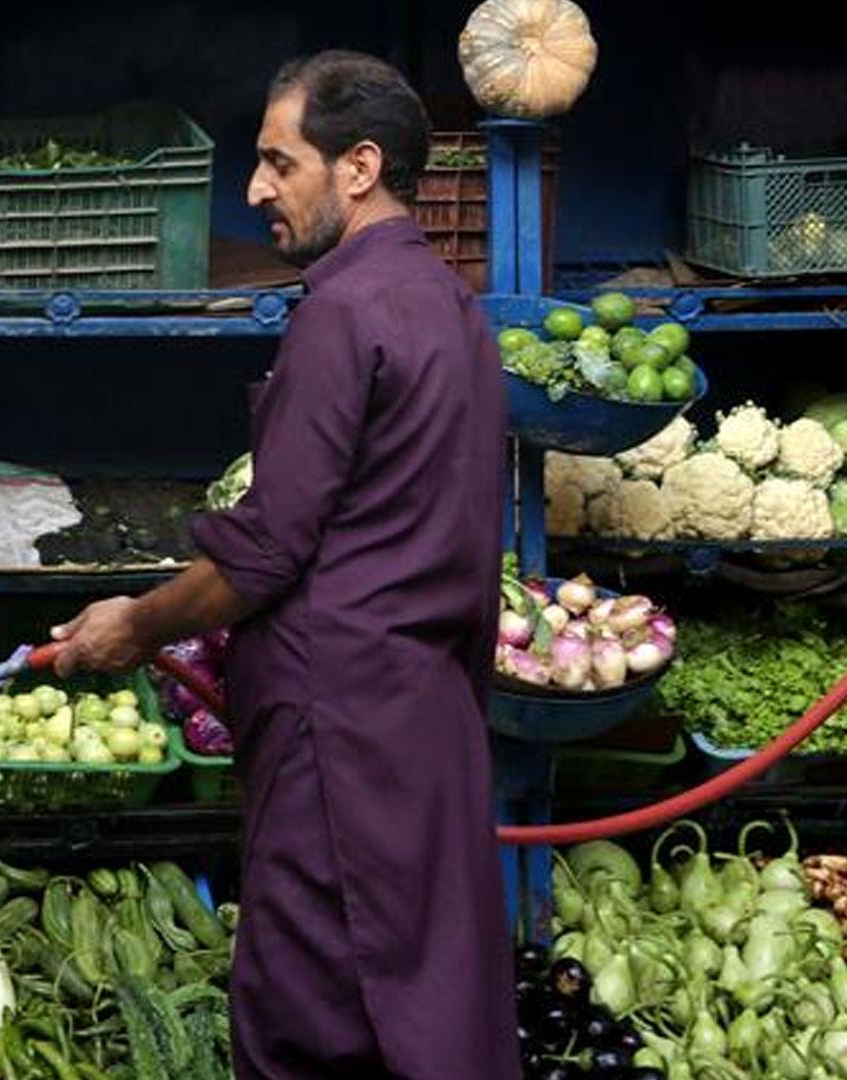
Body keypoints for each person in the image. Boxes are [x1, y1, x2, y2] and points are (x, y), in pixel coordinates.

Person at [48, 49, 519, 1080]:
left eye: (278, 163)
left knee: (310, 1015)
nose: (256, 191)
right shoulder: (453, 306)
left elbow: (264, 557)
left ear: (359, 167)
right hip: (426, 720)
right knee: (432, 998)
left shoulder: (342, 314)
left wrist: (135, 623)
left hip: (334, 733)